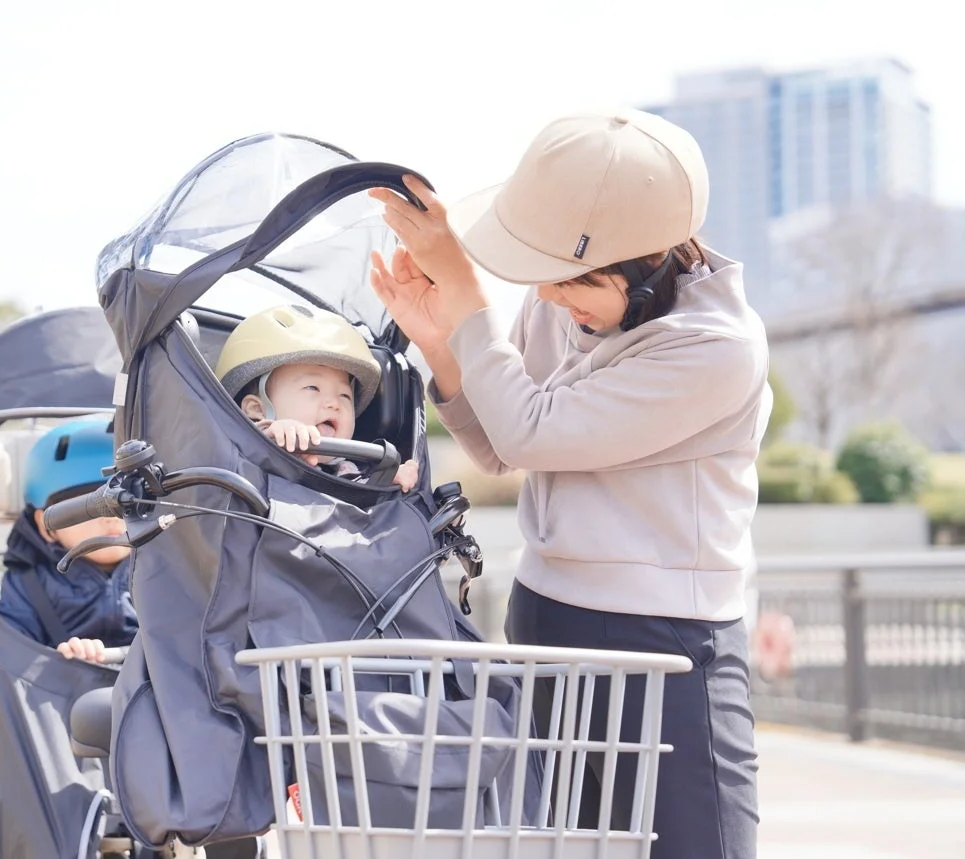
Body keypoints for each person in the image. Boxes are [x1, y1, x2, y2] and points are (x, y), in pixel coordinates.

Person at [367, 109, 767, 858]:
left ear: (649, 264)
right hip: (549, 618)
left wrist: (464, 294)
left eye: (573, 280)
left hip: (668, 644)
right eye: (543, 278)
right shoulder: (566, 298)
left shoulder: (716, 348)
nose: (549, 297)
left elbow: (531, 429)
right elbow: (499, 445)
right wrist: (442, 342)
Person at [212, 303, 419, 492]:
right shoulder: (243, 455)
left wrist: (385, 481)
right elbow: (242, 447)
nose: (334, 403)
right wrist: (270, 434)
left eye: (345, 395)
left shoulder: (348, 471)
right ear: (257, 409)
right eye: (313, 387)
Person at [0, 418, 139, 648]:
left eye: (126, 503)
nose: (111, 516)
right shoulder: (27, 584)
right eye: (87, 507)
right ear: (46, 524)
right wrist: (64, 658)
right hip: (64, 680)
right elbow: (12, 652)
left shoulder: (164, 573)